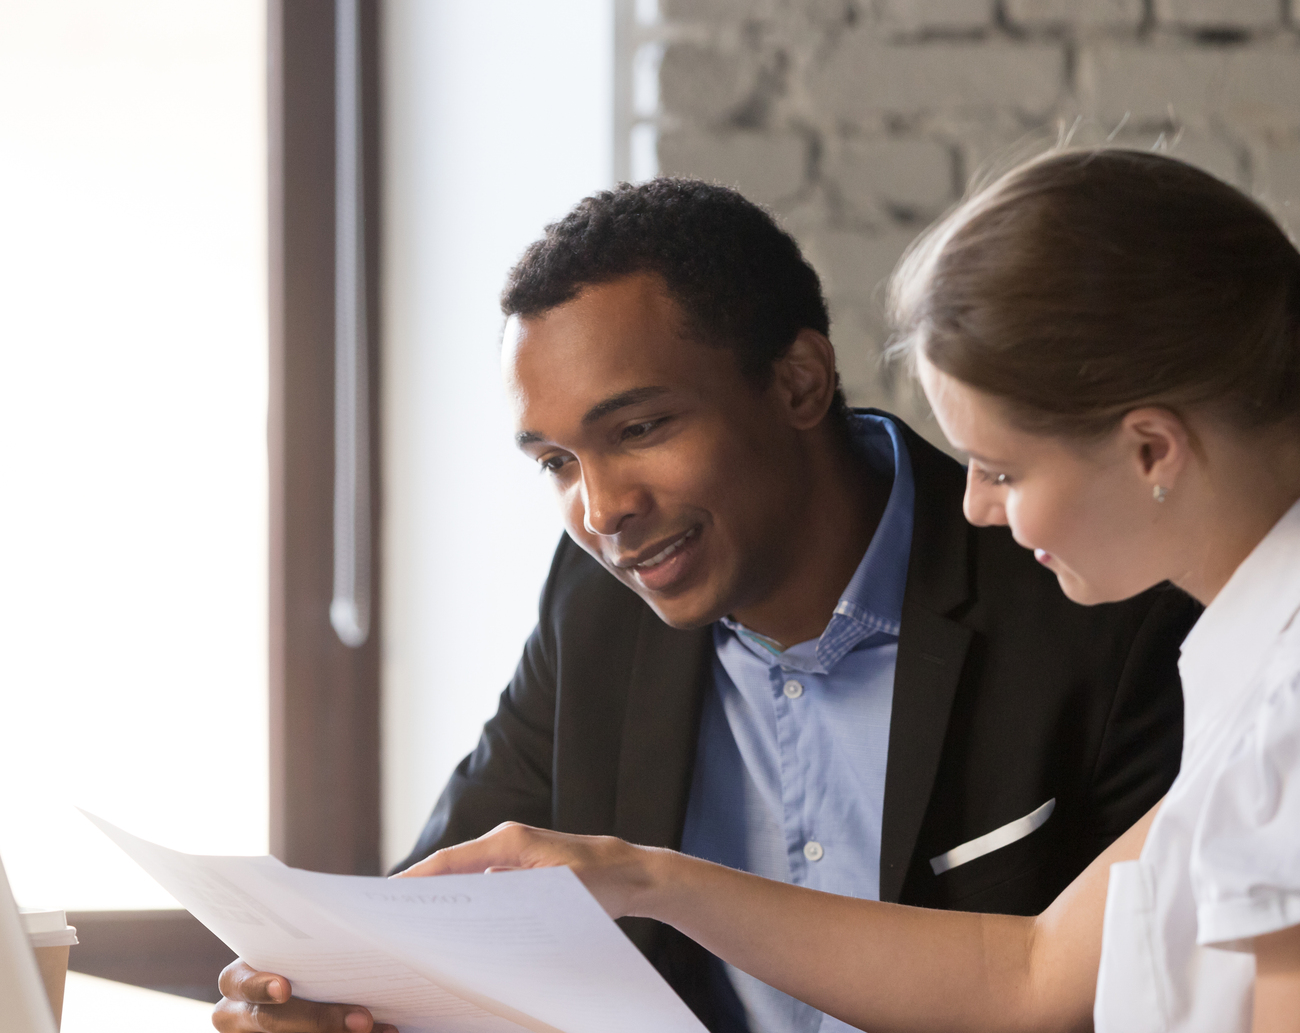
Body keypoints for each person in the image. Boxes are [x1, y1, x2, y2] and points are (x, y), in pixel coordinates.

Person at [403, 150, 1300, 1032]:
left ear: (1152, 448)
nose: (976, 508)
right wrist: (640, 876)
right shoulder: (1293, 656)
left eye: (1002, 467)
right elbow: (1031, 968)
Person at [212, 178, 1199, 1033]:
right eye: (557, 462)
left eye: (639, 428)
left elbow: (1142, 996)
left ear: (801, 381)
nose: (601, 510)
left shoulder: (1097, 603)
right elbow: (439, 914)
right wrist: (328, 996)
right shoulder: (597, 608)